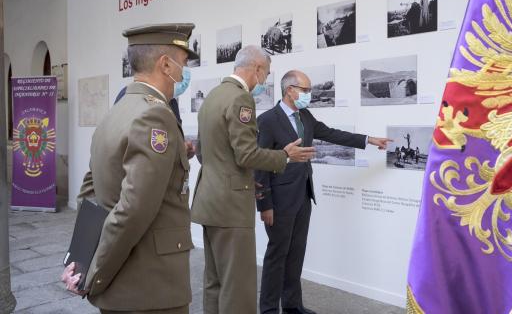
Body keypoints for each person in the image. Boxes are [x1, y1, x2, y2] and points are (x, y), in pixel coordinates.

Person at [61, 23, 199, 313]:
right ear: (165, 65)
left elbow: (89, 192)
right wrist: (94, 273)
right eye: (183, 64)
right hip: (150, 287)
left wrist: (83, 260)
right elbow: (134, 209)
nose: (184, 73)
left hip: (122, 288)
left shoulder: (118, 110)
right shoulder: (155, 115)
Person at [191, 46, 315, 314]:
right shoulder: (240, 99)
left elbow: (203, 152)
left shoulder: (213, 96)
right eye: (267, 74)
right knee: (237, 286)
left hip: (208, 199)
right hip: (231, 205)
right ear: (257, 68)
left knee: (215, 281)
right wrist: (285, 155)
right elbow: (247, 155)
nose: (265, 80)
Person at [255, 70, 392, 314]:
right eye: (305, 90)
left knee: (296, 254)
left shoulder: (305, 116)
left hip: (303, 196)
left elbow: (331, 134)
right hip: (278, 201)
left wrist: (369, 140)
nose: (310, 94)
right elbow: (260, 164)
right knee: (277, 256)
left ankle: (292, 306)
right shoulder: (267, 120)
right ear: (290, 90)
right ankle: (268, 310)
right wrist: (264, 205)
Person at [114, 66, 195, 159]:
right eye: (183, 62)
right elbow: (135, 148)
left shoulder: (171, 101)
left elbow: (167, 140)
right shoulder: (130, 95)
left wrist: (182, 151)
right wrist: (177, 151)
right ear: (165, 65)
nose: (182, 75)